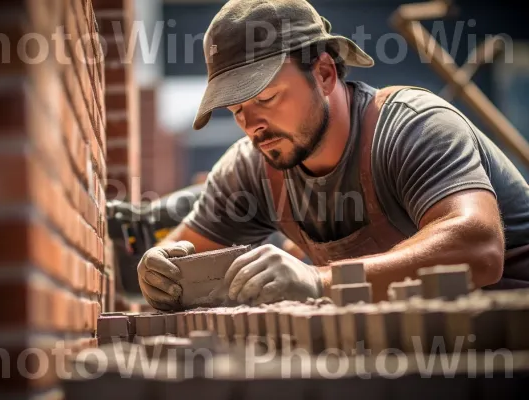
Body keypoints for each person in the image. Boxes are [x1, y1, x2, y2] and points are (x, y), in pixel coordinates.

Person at [137, 0, 529, 311]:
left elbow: (478, 247)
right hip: (415, 344)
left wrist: (319, 281)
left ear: (324, 74)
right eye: (236, 110)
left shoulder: (412, 127)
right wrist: (160, 269)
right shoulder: (253, 167)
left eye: (266, 99)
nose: (251, 124)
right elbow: (182, 257)